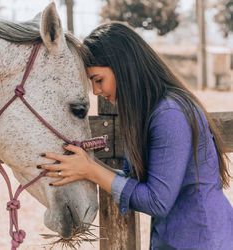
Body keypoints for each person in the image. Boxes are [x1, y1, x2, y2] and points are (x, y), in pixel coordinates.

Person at [37, 22, 233, 249]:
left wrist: (92, 169)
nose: (97, 91)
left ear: (124, 67)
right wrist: (85, 168)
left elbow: (157, 200)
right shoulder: (149, 112)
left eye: (98, 80)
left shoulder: (170, 115)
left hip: (203, 241)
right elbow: (136, 183)